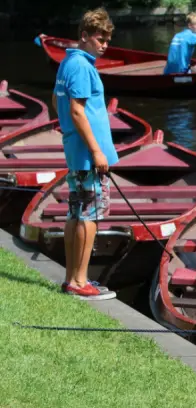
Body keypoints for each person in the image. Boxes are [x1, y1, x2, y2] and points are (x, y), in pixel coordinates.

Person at [52, 8, 118, 300]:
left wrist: (67, 129)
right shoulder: (82, 66)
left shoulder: (68, 62)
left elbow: (56, 100)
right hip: (89, 156)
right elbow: (77, 109)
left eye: (107, 39)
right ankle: (79, 283)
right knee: (90, 216)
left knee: (76, 214)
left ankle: (72, 279)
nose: (104, 44)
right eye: (99, 38)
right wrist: (96, 150)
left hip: (77, 152)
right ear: (84, 36)